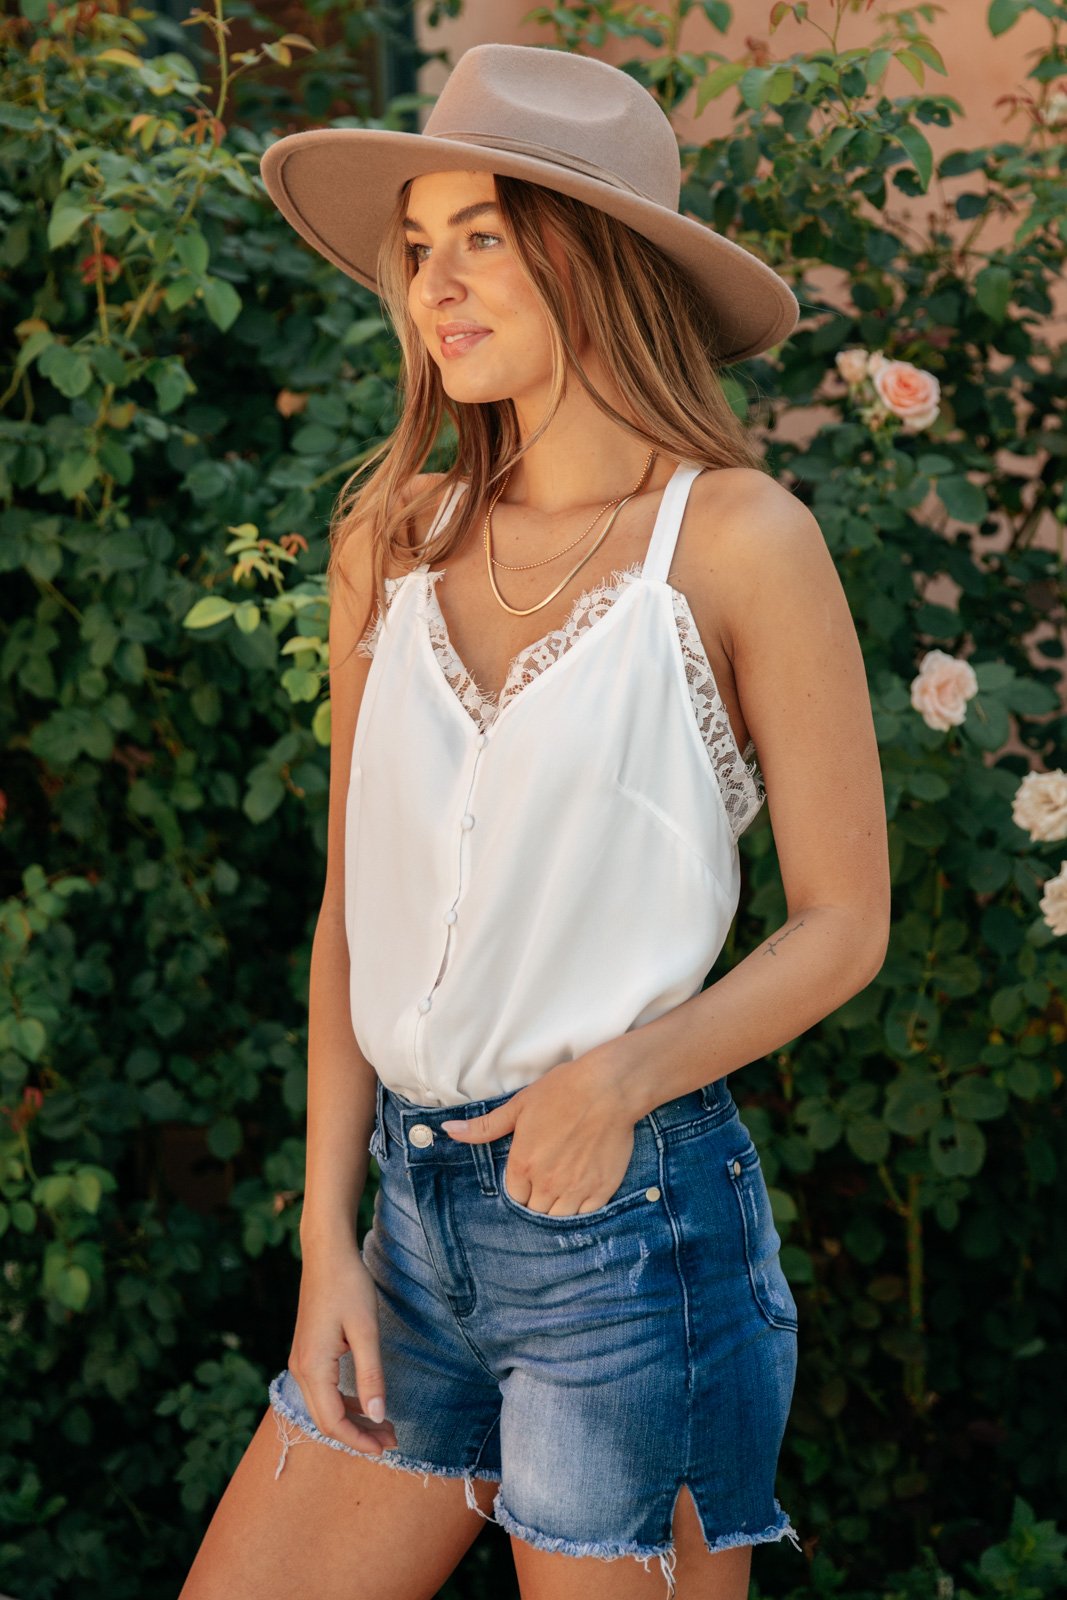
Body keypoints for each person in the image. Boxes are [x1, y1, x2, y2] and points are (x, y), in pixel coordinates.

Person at [180, 42, 890, 1600]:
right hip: (412, 1242)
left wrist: (620, 1075)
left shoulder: (740, 542)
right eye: (418, 248)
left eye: (482, 239)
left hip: (631, 1234)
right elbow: (347, 915)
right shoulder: (398, 540)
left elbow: (848, 921)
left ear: (599, 262)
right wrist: (324, 1242)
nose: (436, 283)